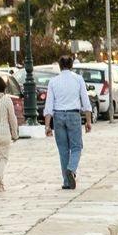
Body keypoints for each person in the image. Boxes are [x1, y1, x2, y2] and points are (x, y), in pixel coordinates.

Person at [42, 54, 94, 189]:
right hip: (74, 115)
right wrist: (88, 121)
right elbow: (85, 101)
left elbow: (49, 105)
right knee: (77, 147)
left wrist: (47, 126)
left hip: (58, 116)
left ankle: (66, 181)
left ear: (59, 66)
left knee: (63, 150)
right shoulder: (78, 79)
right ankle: (71, 169)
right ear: (71, 65)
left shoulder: (53, 81)